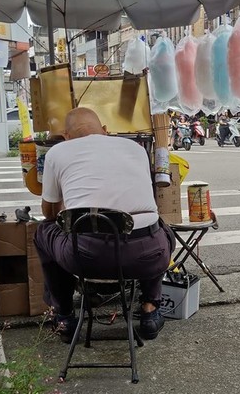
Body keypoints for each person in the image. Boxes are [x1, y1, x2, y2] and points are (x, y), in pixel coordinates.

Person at [34, 107, 174, 343]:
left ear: (66, 137)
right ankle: (150, 309)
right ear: (106, 131)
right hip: (149, 255)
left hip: (88, 258)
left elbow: (49, 214)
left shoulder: (58, 152)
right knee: (160, 230)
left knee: (43, 232)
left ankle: (65, 316)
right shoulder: (135, 149)